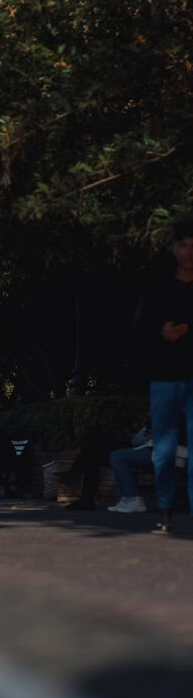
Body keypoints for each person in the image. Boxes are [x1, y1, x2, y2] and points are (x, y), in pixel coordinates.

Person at [131, 216, 193, 533]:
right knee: (164, 452)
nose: (188, 253)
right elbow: (139, 329)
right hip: (166, 378)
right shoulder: (159, 287)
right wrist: (162, 332)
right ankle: (165, 510)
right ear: (174, 248)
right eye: (183, 246)